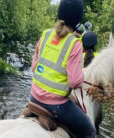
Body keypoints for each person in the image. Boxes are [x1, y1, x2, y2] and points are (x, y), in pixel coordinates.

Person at [29, 0, 96, 137]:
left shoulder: (46, 34)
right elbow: (75, 82)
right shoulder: (75, 44)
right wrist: (82, 74)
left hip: (34, 97)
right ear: (78, 19)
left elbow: (34, 67)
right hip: (56, 106)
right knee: (90, 132)